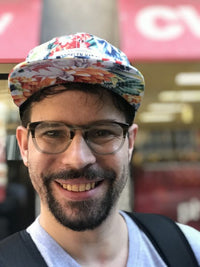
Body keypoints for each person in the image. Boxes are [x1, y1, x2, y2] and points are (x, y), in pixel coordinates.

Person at [0, 32, 200, 266]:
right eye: (53, 133)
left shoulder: (188, 250)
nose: (78, 159)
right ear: (24, 146)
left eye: (102, 132)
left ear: (130, 143)